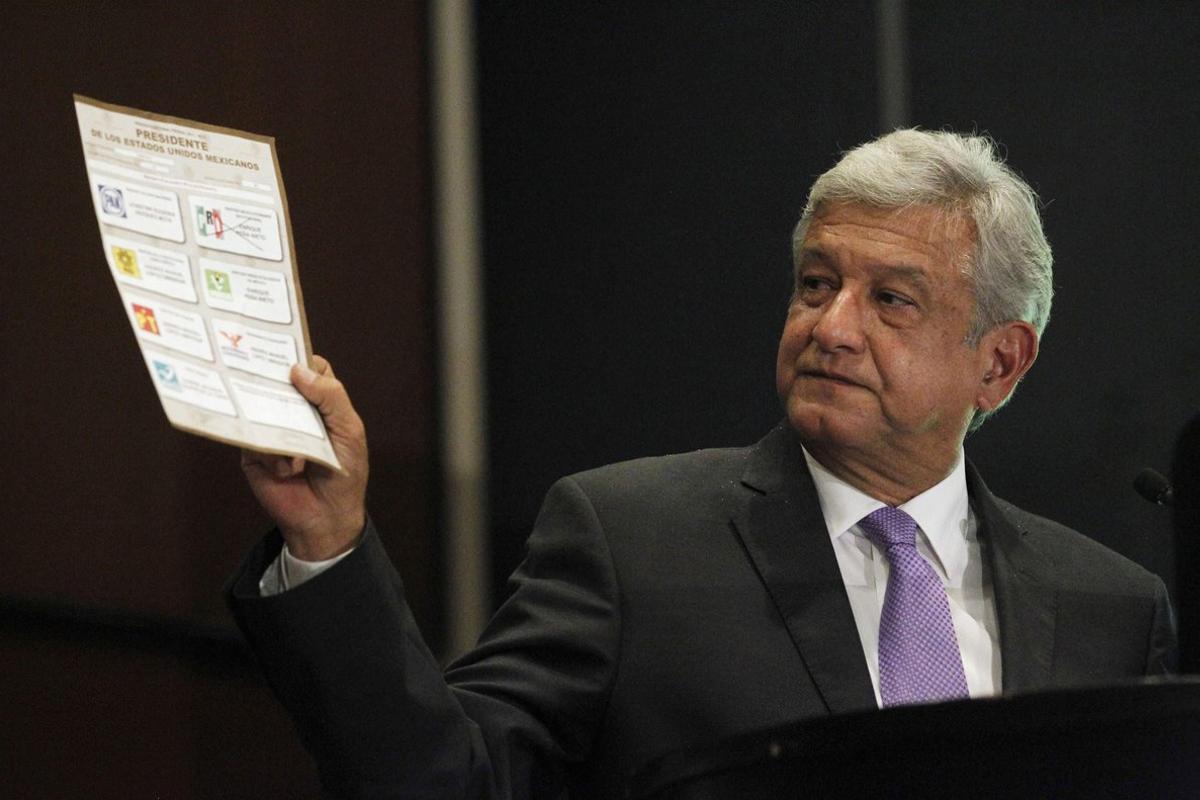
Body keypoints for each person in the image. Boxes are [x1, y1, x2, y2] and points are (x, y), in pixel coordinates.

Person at [228, 129, 1176, 799]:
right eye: (816, 283)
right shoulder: (634, 541)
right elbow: (443, 782)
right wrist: (330, 541)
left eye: (891, 300)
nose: (831, 328)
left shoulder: (1112, 610)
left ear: (998, 362)